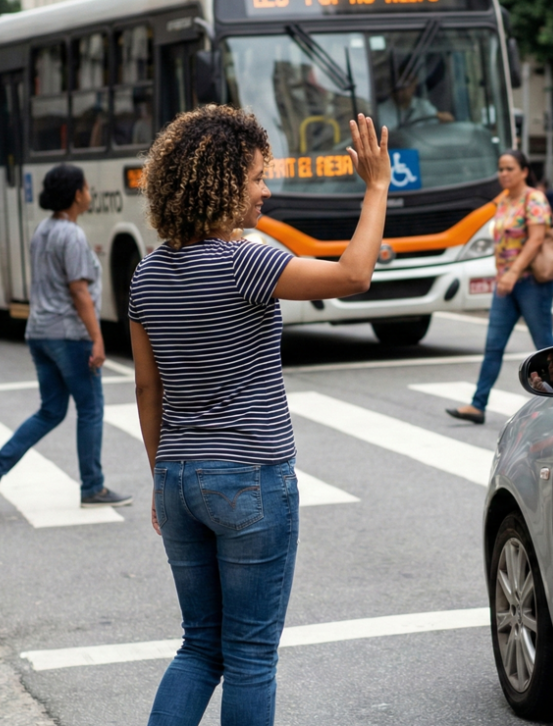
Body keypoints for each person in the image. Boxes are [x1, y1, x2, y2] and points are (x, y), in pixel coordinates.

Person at [129, 108, 390, 726]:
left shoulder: (146, 273)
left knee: (199, 647)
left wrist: (163, 475)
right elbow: (355, 275)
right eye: (254, 178)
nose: (265, 189)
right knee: (249, 656)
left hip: (177, 479)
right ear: (218, 183)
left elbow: (147, 389)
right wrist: (375, 186)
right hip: (249, 475)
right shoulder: (246, 263)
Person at [0, 164, 130, 512]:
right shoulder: (71, 235)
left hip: (39, 331)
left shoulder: (42, 229)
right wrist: (98, 339)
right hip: (69, 335)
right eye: (87, 187)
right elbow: (79, 291)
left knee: (51, 410)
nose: (90, 193)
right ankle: (93, 487)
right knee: (90, 408)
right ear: (77, 195)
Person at [446, 149, 553, 424]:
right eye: (500, 169)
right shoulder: (503, 201)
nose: (503, 174)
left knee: (546, 349)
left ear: (524, 171)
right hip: (505, 285)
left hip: (531, 283)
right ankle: (477, 405)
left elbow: (536, 239)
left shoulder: (535, 199)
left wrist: (513, 272)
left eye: (509, 169)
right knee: (493, 346)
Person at [376, 75, 452, 128]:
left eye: (407, 84)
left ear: (414, 85)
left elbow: (442, 120)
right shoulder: (380, 111)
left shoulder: (422, 106)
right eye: (400, 85)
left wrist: (444, 118)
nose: (402, 90)